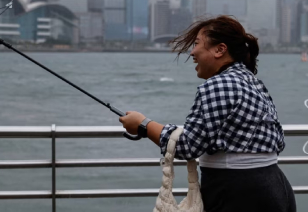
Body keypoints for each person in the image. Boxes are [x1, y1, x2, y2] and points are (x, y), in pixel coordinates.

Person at [119, 15, 296, 212]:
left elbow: (188, 146)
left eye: (196, 44)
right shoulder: (251, 81)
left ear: (220, 49)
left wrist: (143, 124)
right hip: (274, 186)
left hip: (238, 192)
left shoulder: (219, 84)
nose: (192, 52)